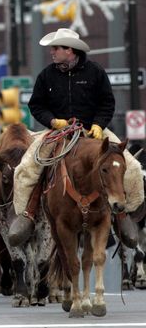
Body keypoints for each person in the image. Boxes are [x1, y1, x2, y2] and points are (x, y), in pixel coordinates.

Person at [8, 28, 144, 247]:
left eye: (56, 48)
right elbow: (36, 105)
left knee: (133, 166)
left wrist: (99, 125)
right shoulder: (46, 75)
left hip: (94, 132)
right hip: (57, 132)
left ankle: (123, 214)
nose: (52, 52)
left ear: (69, 50)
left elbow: (107, 102)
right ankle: (27, 214)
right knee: (27, 167)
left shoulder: (95, 72)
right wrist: (53, 121)